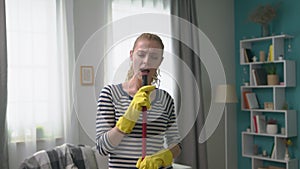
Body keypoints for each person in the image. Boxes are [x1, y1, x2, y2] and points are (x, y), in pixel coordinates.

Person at [96, 33, 181, 169]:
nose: (146, 61)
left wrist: (164, 157)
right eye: (141, 54)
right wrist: (128, 118)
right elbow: (102, 148)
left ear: (160, 61)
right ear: (131, 55)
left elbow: (175, 144)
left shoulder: (166, 99)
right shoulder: (110, 94)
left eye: (154, 57)